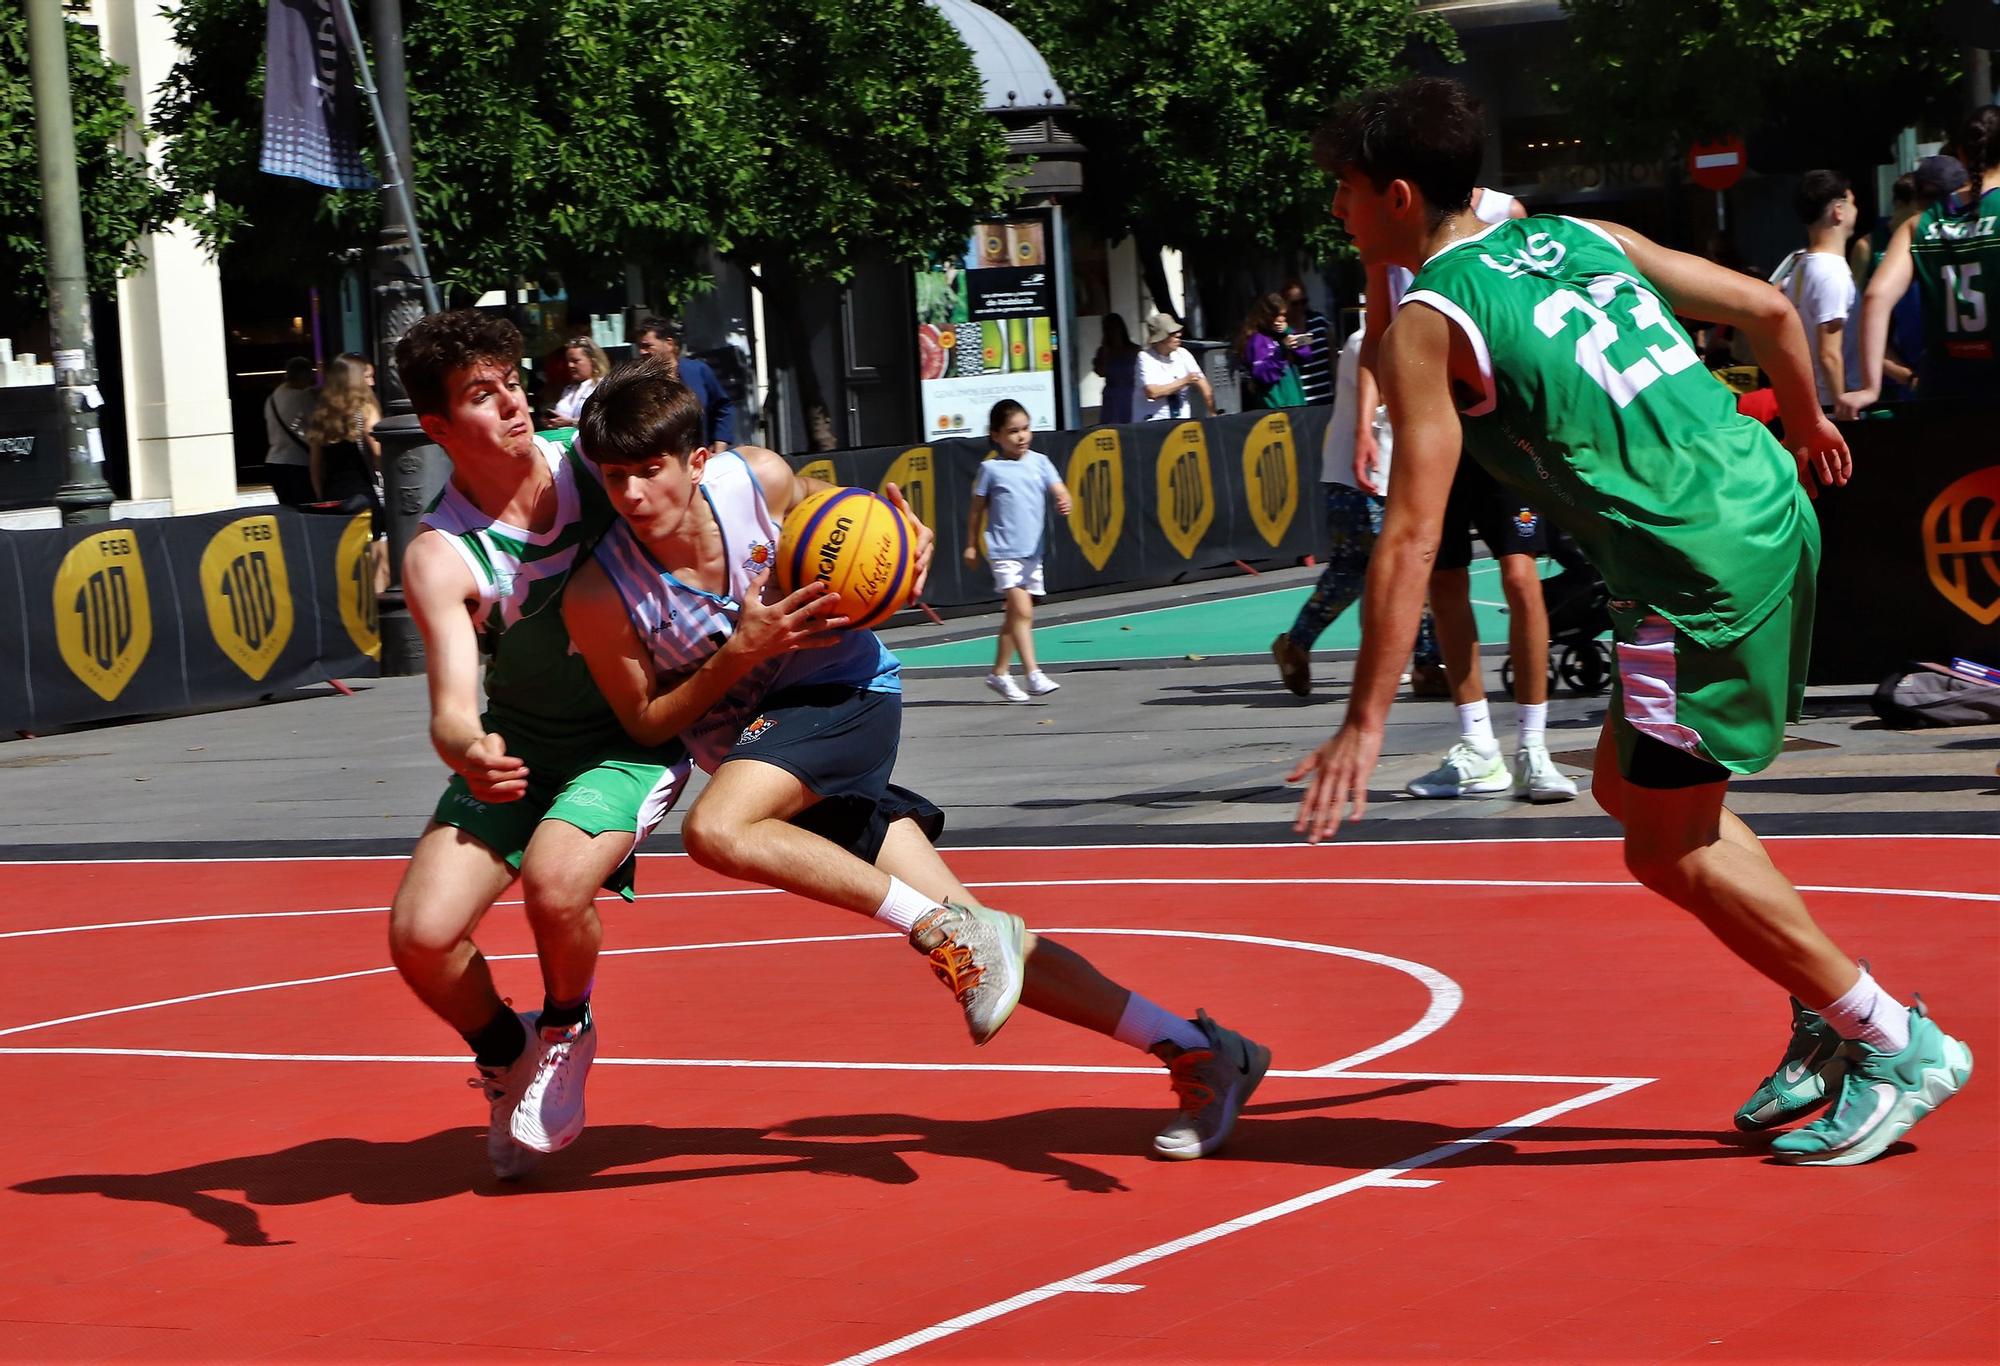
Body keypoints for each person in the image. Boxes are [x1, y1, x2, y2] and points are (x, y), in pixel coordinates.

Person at [1291, 77, 1971, 1166]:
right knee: (1636, 795)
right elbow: (1764, 310)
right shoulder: (1574, 233)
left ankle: (1891, 1038)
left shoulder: (1432, 321)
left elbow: (1410, 538)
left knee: (1663, 844)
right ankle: (1822, 1005)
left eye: (1344, 191)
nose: (1334, 210)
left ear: (1400, 194)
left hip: (1684, 568)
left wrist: (1365, 717)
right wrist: (1802, 424)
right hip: (1755, 501)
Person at [561, 361, 1270, 1160]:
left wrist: (902, 551)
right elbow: (650, 719)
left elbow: (855, 537)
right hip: (768, 756)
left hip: (841, 694)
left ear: (697, 460)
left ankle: (941, 931)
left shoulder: (752, 481)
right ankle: (1201, 1049)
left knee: (716, 831)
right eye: (613, 478)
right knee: (999, 948)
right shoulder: (603, 593)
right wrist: (739, 656)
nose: (630, 496)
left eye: (648, 472)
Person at [385, 310, 691, 1182]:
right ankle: (507, 1052)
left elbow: (727, 481)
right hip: (518, 745)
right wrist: (465, 747)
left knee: (556, 887)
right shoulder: (444, 553)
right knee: (421, 935)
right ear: (440, 430)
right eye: (484, 396)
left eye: (513, 383)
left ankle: (565, 1028)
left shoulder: (591, 460)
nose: (514, 404)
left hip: (630, 733)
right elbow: (450, 704)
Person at [1840, 107, 2000, 417]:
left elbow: (1875, 297)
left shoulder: (1921, 223)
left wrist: (1870, 388)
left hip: (1943, 391)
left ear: (1960, 154)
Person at [1272, 323, 1389, 697]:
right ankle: (1298, 642)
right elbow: (1387, 397)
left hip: (1389, 473)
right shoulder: (1364, 341)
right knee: (1359, 572)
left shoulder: (1408, 332)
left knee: (1373, 570)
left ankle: (1423, 659)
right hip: (1357, 476)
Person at [964, 399, 1073, 702]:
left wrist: (1064, 500)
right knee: (1022, 612)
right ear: (996, 435)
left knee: (1015, 617)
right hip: (1003, 552)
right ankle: (1033, 674)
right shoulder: (991, 469)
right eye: (1013, 431)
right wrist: (971, 545)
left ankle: (999, 674)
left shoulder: (1040, 461)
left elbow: (1059, 489)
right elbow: (976, 510)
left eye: (1025, 429)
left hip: (1031, 553)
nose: (1022, 436)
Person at [1770, 170, 1861, 409]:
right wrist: (1842, 405)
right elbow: (1829, 354)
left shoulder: (1801, 267)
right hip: (1836, 409)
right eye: (1852, 202)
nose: (1856, 210)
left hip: (1813, 402)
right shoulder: (1832, 274)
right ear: (1838, 211)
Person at [633, 315, 735, 449]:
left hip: (702, 456)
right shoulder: (640, 381)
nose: (642, 352)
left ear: (669, 344)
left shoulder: (697, 371)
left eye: (647, 346)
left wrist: (720, 444)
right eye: (639, 347)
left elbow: (723, 406)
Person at [1233, 291, 1313, 409]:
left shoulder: (1284, 334)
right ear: (1266, 316)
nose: (1281, 319)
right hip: (1275, 409)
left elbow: (1307, 355)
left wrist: (1288, 332)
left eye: (1283, 315)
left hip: (1297, 405)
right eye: (1277, 315)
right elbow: (1262, 375)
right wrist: (1281, 351)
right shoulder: (1257, 340)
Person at [1135, 313, 1217, 421]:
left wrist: (1213, 414)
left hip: (1181, 423)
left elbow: (1204, 386)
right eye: (1172, 333)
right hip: (1154, 424)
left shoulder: (1183, 354)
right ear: (1161, 339)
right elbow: (1152, 392)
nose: (1178, 335)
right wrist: (1184, 381)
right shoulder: (1145, 358)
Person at [262, 357, 318, 506]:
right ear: (304, 375)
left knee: (287, 510)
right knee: (306, 509)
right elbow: (317, 426)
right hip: (298, 463)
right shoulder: (304, 397)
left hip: (274, 462)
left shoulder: (271, 398)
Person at [1282, 279, 1336, 406]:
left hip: (1325, 396)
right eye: (1295, 303)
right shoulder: (1282, 331)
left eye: (1304, 302)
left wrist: (1338, 388)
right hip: (1299, 401)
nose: (1300, 307)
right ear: (1285, 304)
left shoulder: (1319, 322)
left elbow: (1332, 358)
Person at [540, 335, 608, 430]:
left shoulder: (603, 386)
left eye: (576, 361)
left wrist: (571, 422)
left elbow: (606, 421)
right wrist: (552, 421)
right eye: (568, 361)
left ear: (592, 361)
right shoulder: (569, 389)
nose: (570, 365)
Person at [1092, 313, 1141, 424]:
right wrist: (1106, 351)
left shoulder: (1135, 350)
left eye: (1115, 328)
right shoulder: (1103, 351)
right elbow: (1101, 372)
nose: (1112, 332)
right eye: (1108, 329)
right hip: (1112, 397)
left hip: (1131, 395)